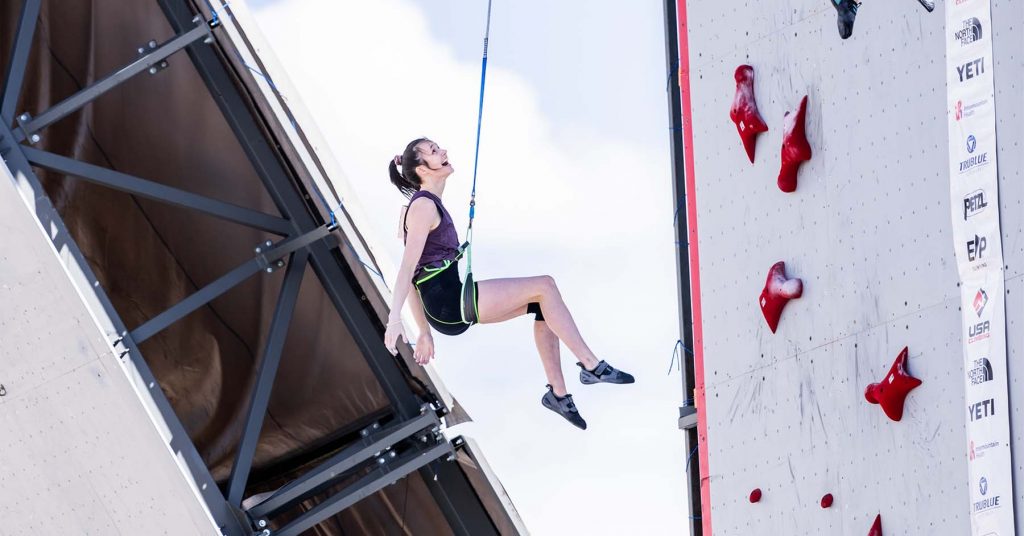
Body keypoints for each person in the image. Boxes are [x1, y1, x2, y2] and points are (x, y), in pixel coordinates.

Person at [382, 138, 634, 429]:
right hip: (447, 302)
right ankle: (591, 366)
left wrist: (425, 332)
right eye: (435, 152)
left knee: (543, 303)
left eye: (439, 148)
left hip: (447, 306)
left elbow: (414, 276)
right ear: (423, 169)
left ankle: (559, 395)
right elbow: (407, 271)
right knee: (545, 286)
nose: (444, 152)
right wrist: (395, 321)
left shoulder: (427, 204)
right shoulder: (423, 206)